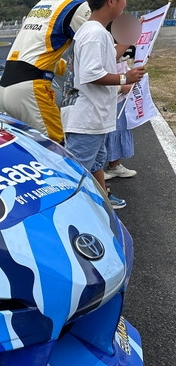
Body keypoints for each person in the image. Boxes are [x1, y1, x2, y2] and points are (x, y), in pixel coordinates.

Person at [61, 0, 146, 210]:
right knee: (76, 171)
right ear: (111, 2)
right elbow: (91, 73)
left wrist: (130, 35)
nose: (125, 4)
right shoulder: (95, 34)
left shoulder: (95, 31)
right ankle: (68, 215)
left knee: (96, 164)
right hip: (87, 118)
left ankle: (103, 204)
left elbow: (106, 59)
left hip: (93, 117)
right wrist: (125, 78)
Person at [0, 0, 91, 144]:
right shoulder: (77, 6)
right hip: (31, 88)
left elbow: (42, 55)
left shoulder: (42, 4)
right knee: (55, 147)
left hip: (6, 86)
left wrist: (69, 69)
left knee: (26, 146)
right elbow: (95, 44)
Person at [104, 45, 137, 180]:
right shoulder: (104, 43)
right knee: (103, 134)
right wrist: (121, 87)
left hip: (118, 99)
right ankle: (96, 169)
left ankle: (114, 165)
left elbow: (122, 66)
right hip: (106, 99)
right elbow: (99, 71)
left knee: (118, 130)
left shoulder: (118, 45)